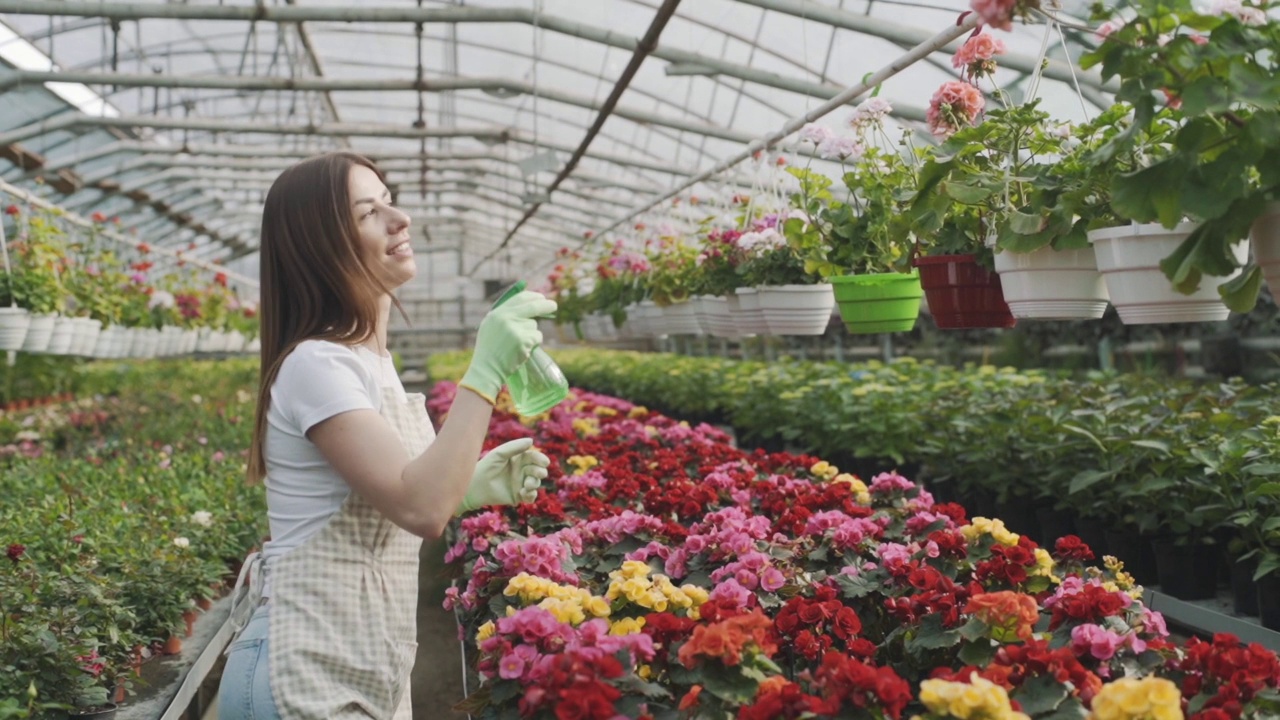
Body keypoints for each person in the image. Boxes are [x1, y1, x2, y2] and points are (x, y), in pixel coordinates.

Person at [218, 151, 555, 719]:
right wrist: (485, 371)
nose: (399, 220)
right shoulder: (316, 364)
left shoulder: (369, 363)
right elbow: (421, 508)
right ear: (320, 246)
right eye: (368, 213)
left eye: (390, 202)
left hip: (360, 665)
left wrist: (465, 488)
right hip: (303, 671)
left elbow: (400, 498)